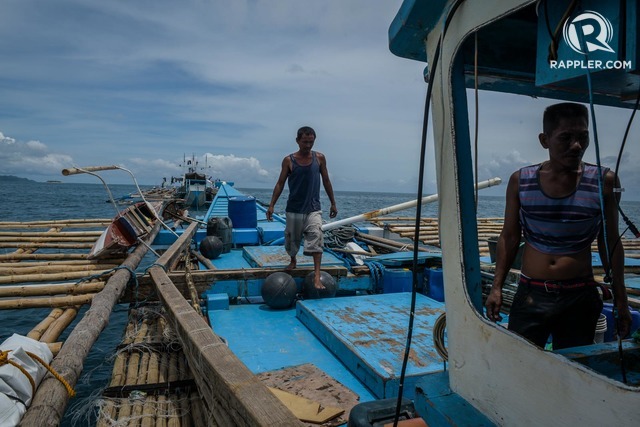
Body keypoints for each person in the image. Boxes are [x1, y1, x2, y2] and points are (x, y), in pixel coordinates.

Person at [485, 102, 631, 350]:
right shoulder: (521, 181)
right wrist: (496, 287)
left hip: (580, 295)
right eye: (565, 138)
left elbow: (610, 243)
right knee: (520, 362)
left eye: (583, 137)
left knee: (573, 369)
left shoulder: (604, 182)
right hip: (532, 294)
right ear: (545, 140)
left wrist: (621, 298)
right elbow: (509, 237)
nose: (576, 146)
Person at [266, 126, 338, 289]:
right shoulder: (288, 160)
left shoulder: (319, 158)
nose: (307, 145)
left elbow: (326, 181)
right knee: (292, 242)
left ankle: (317, 276)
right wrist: (271, 205)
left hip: (313, 208)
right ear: (297, 141)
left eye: (311, 142)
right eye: (305, 142)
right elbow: (280, 183)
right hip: (294, 208)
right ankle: (293, 260)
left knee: (316, 237)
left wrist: (333, 202)